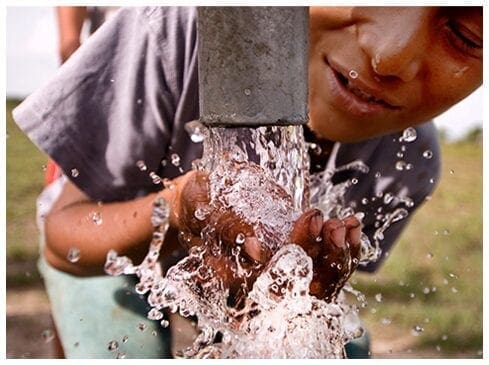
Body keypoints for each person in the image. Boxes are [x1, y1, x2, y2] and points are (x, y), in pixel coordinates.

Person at [13, 6, 482, 358]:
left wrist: (295, 300)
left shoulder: (404, 160)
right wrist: (175, 211)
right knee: (119, 346)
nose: (388, 56)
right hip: (114, 255)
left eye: (466, 35)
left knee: (336, 346)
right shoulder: (176, 33)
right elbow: (63, 241)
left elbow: (267, 309)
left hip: (233, 287)